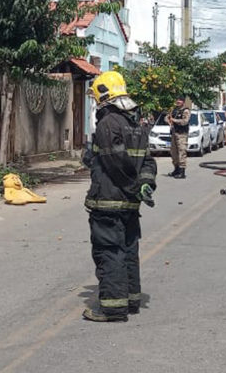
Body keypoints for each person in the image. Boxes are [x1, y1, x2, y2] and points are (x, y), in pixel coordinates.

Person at [82, 71, 157, 322]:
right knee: (128, 251)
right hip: (129, 205)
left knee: (109, 252)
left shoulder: (108, 123)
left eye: (95, 98)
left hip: (109, 202)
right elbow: (147, 161)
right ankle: (131, 300)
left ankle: (113, 308)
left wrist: (133, 186)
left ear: (103, 94)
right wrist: (146, 184)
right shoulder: (136, 124)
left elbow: (115, 161)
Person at [166, 96, 191, 179]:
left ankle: (182, 171)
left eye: (180, 100)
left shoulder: (185, 111)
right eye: (177, 100)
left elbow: (185, 121)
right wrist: (168, 119)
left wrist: (174, 120)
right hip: (174, 133)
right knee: (173, 152)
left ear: (183, 102)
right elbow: (167, 118)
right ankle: (176, 169)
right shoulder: (175, 110)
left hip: (182, 134)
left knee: (181, 152)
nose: (178, 101)